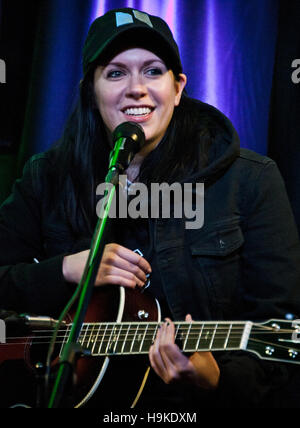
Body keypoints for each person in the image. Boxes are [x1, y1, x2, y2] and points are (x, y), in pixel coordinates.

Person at [0, 7, 300, 409]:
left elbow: (280, 329)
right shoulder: (47, 177)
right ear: (92, 89)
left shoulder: (251, 180)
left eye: (153, 71)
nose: (136, 88)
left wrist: (217, 379)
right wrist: (69, 269)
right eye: (116, 72)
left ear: (177, 88)